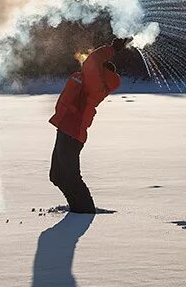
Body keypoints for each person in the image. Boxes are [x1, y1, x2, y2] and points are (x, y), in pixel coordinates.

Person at [48, 37, 130, 213]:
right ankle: (77, 208)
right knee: (57, 176)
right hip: (66, 130)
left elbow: (93, 60)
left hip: (72, 132)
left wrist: (112, 49)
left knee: (70, 176)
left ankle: (85, 211)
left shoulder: (96, 83)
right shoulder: (89, 80)